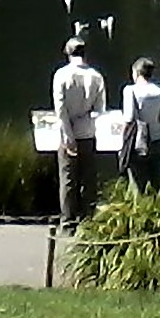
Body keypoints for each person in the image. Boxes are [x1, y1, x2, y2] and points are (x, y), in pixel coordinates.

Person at [51, 37, 106, 229]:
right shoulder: (96, 76)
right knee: (89, 179)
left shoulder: (61, 75)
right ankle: (88, 220)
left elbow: (60, 109)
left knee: (68, 179)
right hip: (88, 132)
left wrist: (67, 135)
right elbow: (100, 110)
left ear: (67, 52)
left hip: (68, 133)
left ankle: (67, 221)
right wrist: (86, 119)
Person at [119, 57, 160, 195]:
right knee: (158, 185)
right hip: (155, 142)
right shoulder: (157, 91)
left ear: (136, 73)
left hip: (137, 145)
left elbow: (129, 118)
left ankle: (140, 213)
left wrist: (122, 143)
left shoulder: (130, 90)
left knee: (137, 188)